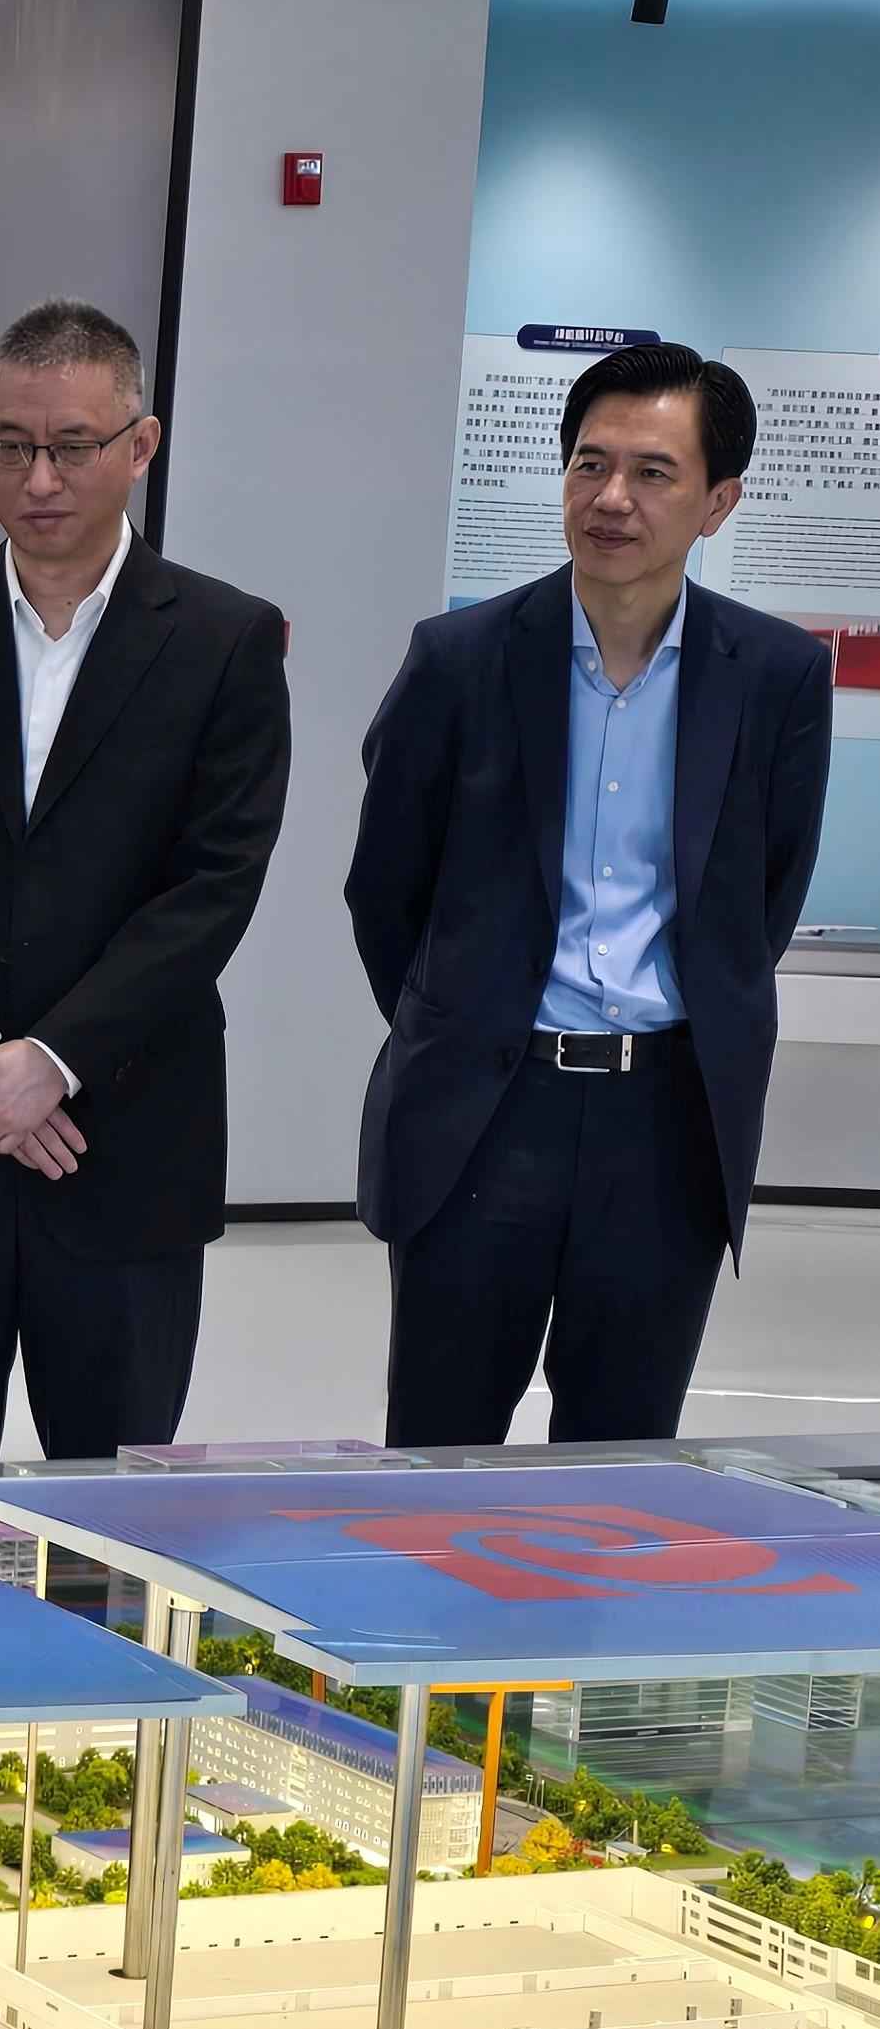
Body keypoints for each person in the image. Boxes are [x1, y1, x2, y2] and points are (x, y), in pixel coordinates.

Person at [0, 299, 289, 1462]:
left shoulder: (223, 641)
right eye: (11, 445)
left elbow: (210, 889)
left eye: (71, 445)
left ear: (140, 443)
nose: (38, 478)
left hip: (123, 1141)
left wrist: (52, 1061)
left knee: (113, 1500)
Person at [349, 342, 832, 1447]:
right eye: (590, 464)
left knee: (621, 1458)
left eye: (653, 472)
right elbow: (386, 887)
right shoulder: (460, 660)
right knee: (437, 1446)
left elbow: (761, 902)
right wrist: (458, 1021)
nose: (612, 498)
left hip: (666, 1121)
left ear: (718, 502)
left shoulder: (775, 677)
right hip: (486, 1109)